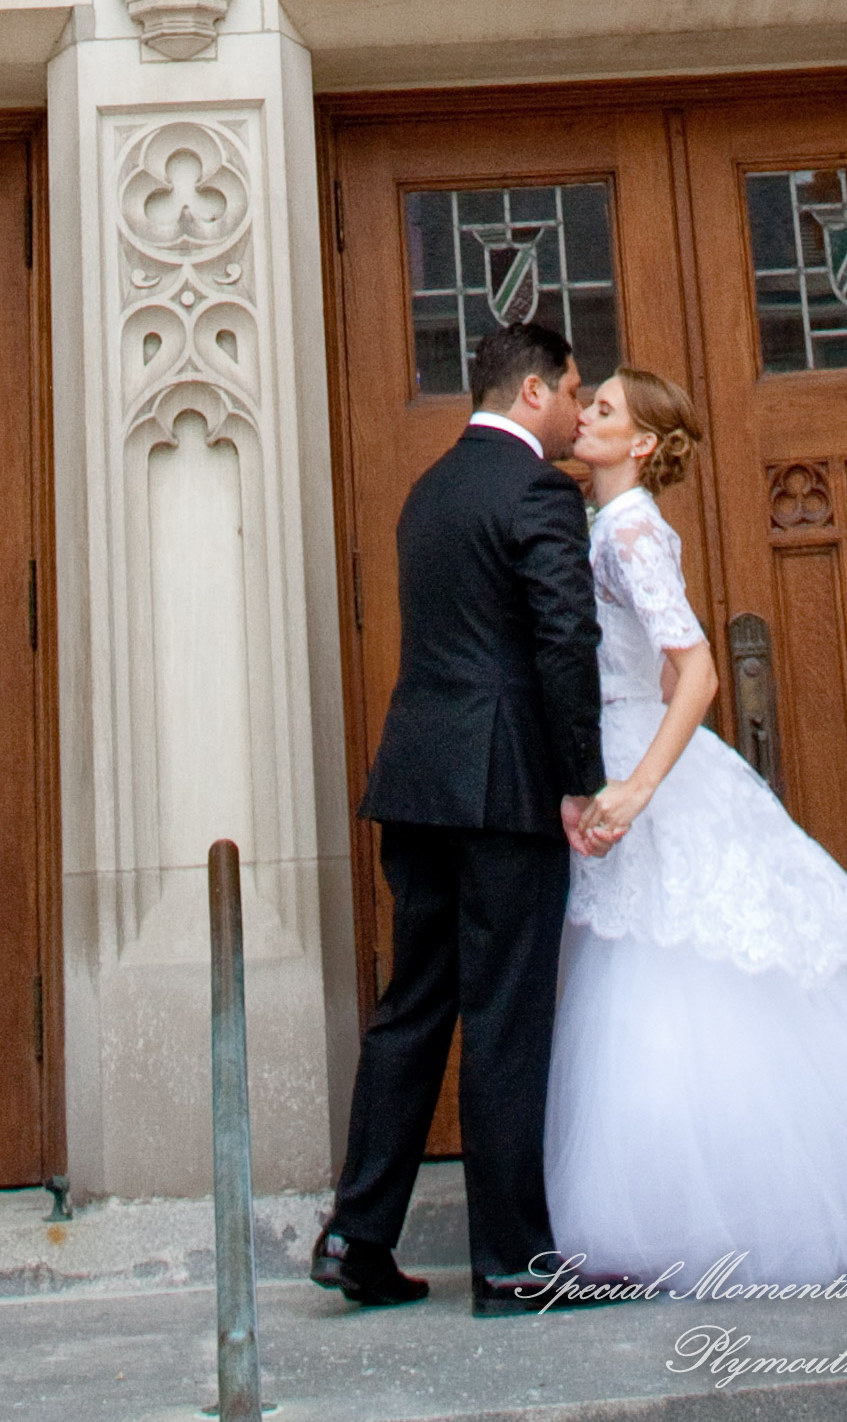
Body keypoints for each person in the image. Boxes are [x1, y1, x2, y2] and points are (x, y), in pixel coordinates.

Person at [544, 366, 847, 1288]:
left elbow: (698, 671)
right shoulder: (609, 521)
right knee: (662, 970)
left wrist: (637, 785)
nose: (583, 414)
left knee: (668, 971)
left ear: (640, 443)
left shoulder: (628, 529)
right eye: (586, 402)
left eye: (603, 408)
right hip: (625, 735)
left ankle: (717, 1209)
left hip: (641, 765)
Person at [311, 323, 623, 1318]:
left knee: (411, 1009)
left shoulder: (429, 490)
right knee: (503, 1019)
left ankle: (356, 1238)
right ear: (531, 393)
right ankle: (513, 1264)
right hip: (504, 789)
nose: (577, 410)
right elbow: (563, 638)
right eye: (571, 391)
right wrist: (580, 780)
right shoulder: (537, 491)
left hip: (417, 783)